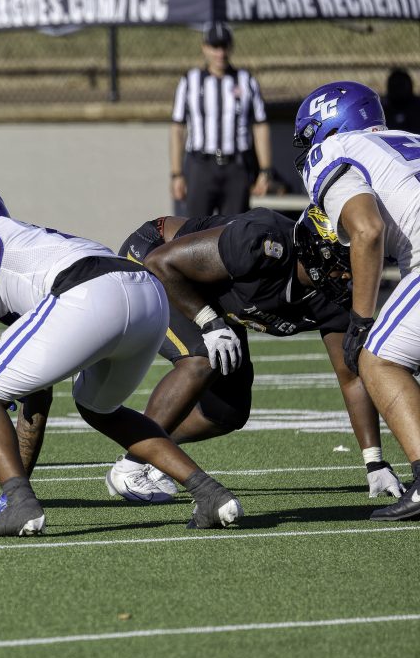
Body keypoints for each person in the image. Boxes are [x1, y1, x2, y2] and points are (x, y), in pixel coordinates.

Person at [0, 187, 243, 537]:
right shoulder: (20, 241)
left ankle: (19, 504)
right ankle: (209, 493)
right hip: (146, 292)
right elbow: (38, 396)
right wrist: (14, 486)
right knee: (99, 408)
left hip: (88, 291)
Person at [106, 206, 401, 503]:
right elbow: (161, 262)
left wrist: (374, 461)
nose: (352, 275)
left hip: (209, 296)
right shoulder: (261, 242)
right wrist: (209, 321)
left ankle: (155, 449)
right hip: (155, 261)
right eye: (347, 263)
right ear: (316, 251)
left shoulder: (335, 299)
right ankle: (131, 467)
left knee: (225, 413)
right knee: (202, 359)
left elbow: (351, 377)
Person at [295, 80, 420, 521]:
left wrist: (361, 320)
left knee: (378, 359)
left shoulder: (332, 150)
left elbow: (366, 229)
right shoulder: (408, 139)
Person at [170, 22, 274, 217]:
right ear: (204, 48)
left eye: (224, 46)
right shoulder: (190, 81)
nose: (220, 53)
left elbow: (260, 125)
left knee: (234, 229)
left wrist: (265, 170)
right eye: (215, 47)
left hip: (236, 166)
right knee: (195, 229)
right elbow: (177, 128)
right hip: (201, 165)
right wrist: (176, 173)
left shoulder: (246, 80)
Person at [383, 68, 420, 133]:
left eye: (401, 85)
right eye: (395, 86)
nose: (398, 90)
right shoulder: (382, 109)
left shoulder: (417, 107)